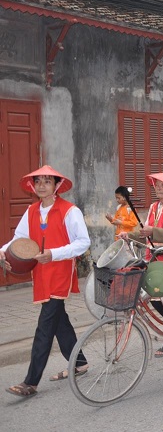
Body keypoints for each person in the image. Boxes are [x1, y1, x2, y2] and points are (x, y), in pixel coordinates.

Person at [1, 166, 90, 398]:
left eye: (47, 181)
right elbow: (19, 240)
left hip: (59, 270)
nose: (41, 185)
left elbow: (83, 242)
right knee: (59, 320)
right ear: (33, 186)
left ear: (56, 186)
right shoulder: (31, 211)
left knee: (45, 326)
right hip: (40, 273)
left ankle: (30, 382)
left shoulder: (70, 211)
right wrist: (3, 252)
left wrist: (53, 253)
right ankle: (79, 362)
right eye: (38, 181)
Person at [122, 169, 163, 357]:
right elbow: (144, 232)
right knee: (157, 301)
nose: (158, 188)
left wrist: (154, 232)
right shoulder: (154, 207)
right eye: (157, 185)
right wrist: (130, 235)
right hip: (152, 260)